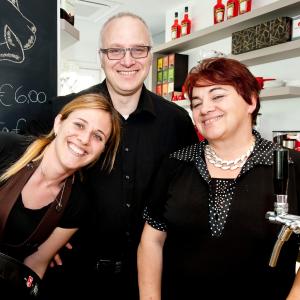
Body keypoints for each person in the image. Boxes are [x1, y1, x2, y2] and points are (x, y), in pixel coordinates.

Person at [40, 11, 198, 300]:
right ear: (101, 56)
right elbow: (29, 177)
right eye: (115, 50)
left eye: (138, 49)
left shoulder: (177, 122)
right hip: (70, 281)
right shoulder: (65, 112)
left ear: (150, 56)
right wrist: (42, 238)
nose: (127, 60)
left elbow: (188, 196)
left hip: (150, 282)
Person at [137, 57, 300, 300]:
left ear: (251, 101)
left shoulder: (291, 165)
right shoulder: (176, 163)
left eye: (217, 96)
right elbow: (152, 241)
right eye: (196, 102)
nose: (204, 108)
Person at [0, 93, 120, 298]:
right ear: (58, 123)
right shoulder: (6, 147)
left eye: (98, 136)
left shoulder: (78, 202)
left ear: (102, 151)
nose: (84, 139)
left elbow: (36, 263)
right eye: (79, 125)